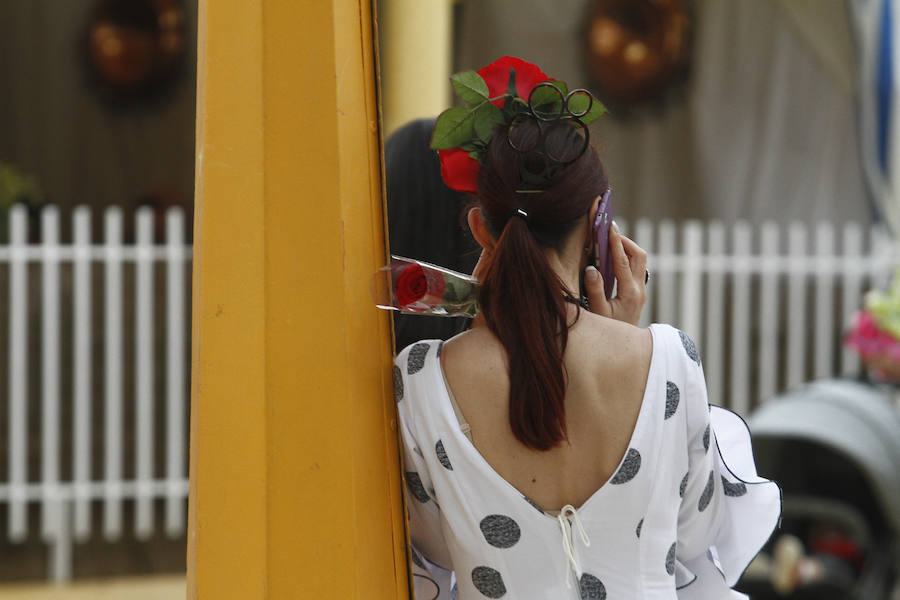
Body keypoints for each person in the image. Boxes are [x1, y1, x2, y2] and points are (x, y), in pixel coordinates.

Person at [394, 56, 780, 600]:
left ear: (481, 226)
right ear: (599, 217)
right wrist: (624, 345)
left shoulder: (421, 380)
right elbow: (696, 539)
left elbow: (430, 551)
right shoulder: (666, 361)